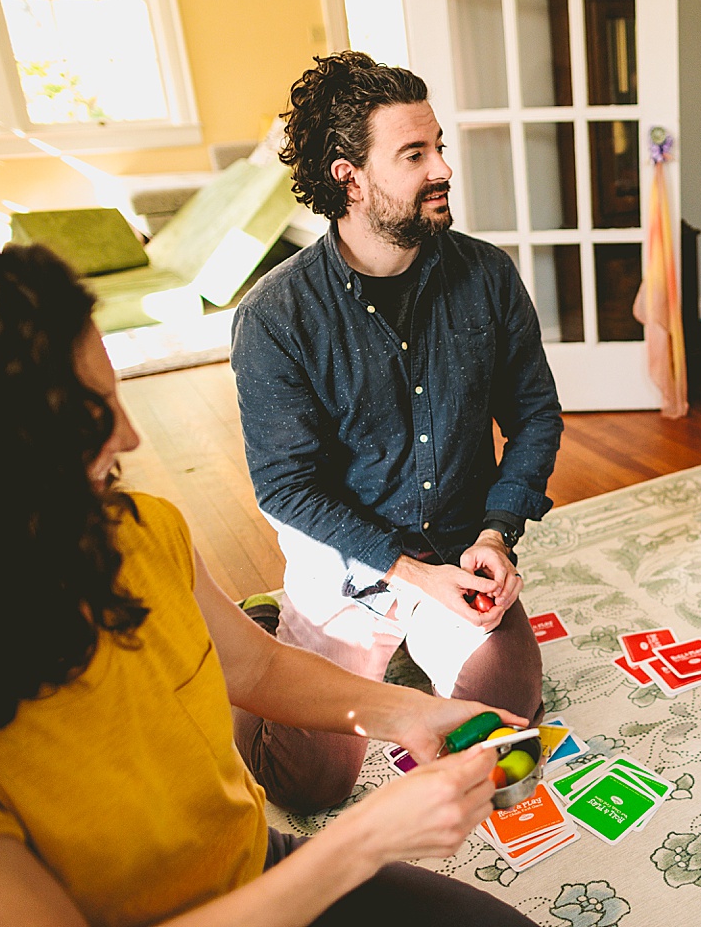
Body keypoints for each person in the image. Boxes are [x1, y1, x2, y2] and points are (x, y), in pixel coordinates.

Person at [0, 243, 536, 927]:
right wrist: (364, 841)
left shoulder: (139, 530)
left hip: (254, 866)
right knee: (311, 778)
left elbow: (256, 664)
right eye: (91, 415)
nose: (129, 437)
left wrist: (408, 712)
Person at [230, 52, 563, 811]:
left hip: (457, 550)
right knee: (308, 789)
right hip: (348, 571)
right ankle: (262, 634)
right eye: (415, 155)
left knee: (505, 759)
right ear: (350, 176)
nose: (443, 167)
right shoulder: (274, 318)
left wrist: (494, 536)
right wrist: (410, 577)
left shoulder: (487, 276)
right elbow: (285, 484)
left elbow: (536, 415)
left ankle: (424, 646)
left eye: (439, 145)